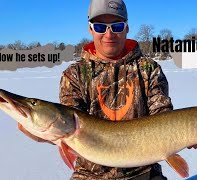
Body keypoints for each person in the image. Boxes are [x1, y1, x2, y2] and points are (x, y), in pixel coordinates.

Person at [58, 0, 173, 179]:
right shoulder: (74, 75)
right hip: (89, 175)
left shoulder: (148, 69)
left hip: (143, 173)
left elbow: (163, 116)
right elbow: (68, 124)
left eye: (117, 26)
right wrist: (42, 132)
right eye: (100, 27)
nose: (109, 34)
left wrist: (191, 134)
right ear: (90, 29)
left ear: (127, 28)